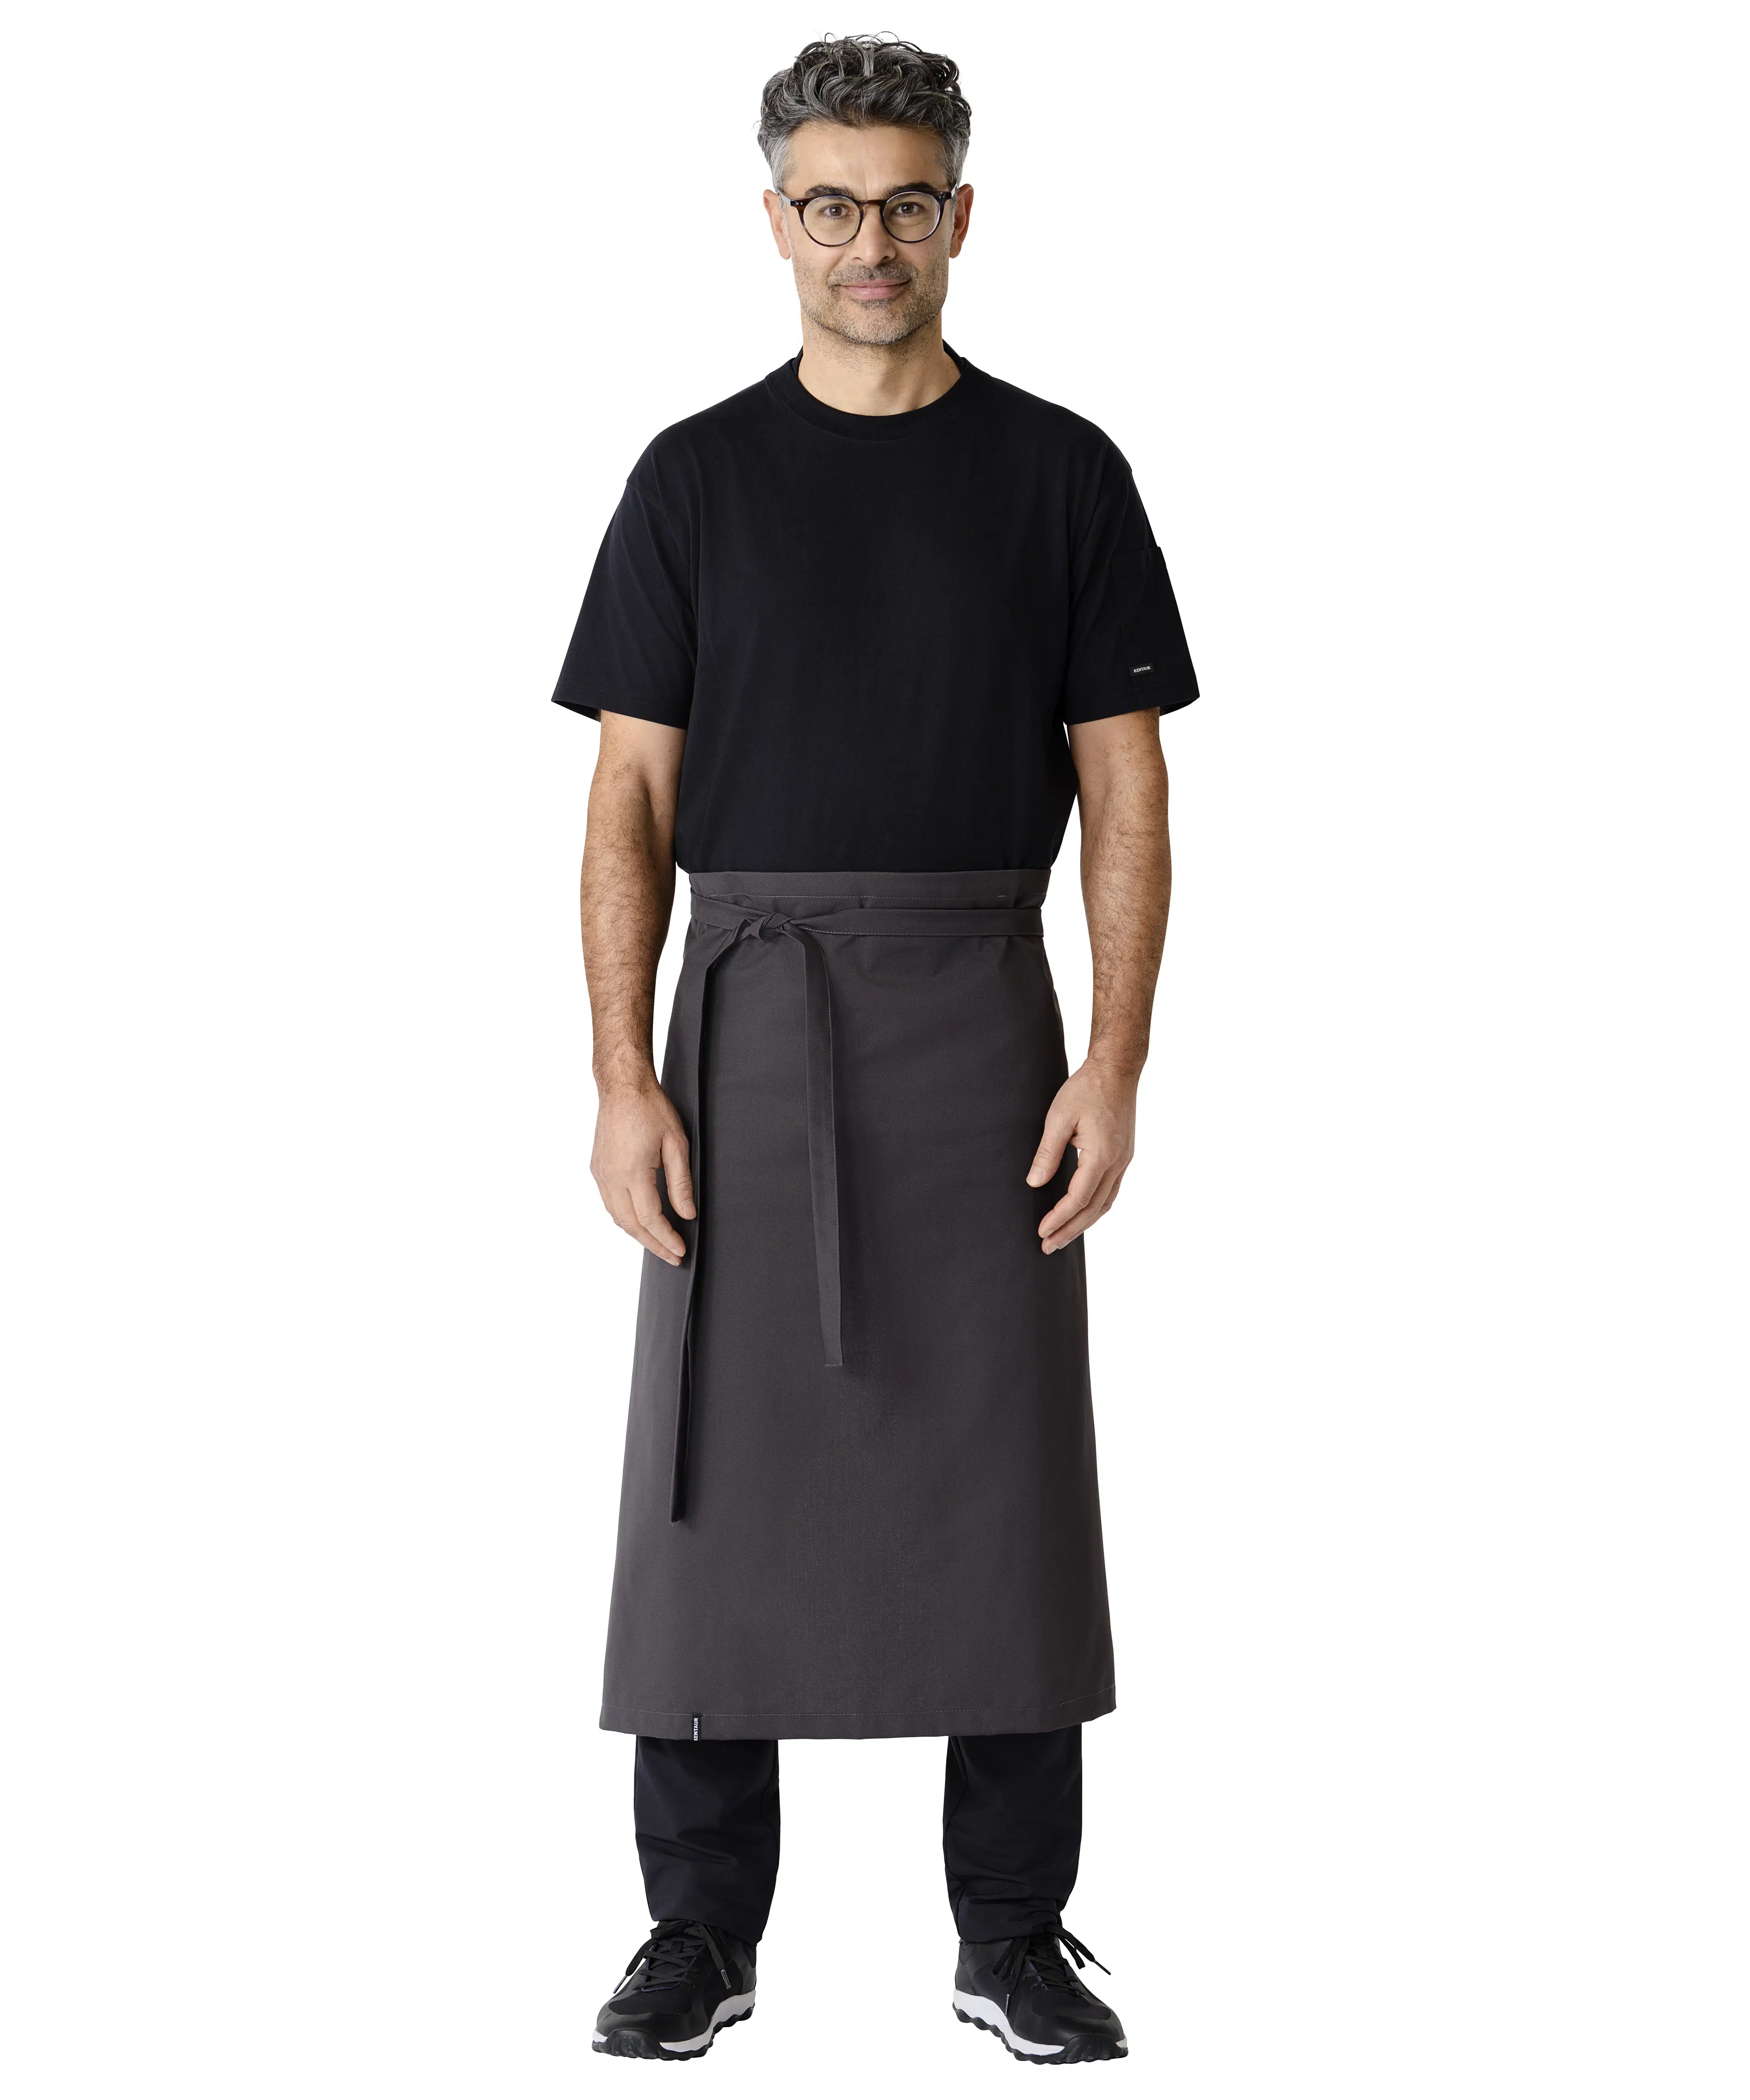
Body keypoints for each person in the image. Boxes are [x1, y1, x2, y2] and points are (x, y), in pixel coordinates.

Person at [551, 33, 1197, 2065]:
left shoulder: (1065, 474)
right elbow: (628, 803)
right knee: (709, 1486)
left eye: (906, 201)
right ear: (776, 222)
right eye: (830, 204)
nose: (870, 242)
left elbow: (1128, 792)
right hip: (745, 1032)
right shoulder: (690, 478)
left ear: (961, 215)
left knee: (1006, 1485)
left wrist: (1115, 1062)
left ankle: (1012, 1933)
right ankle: (696, 1931)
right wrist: (622, 1079)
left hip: (983, 1029)